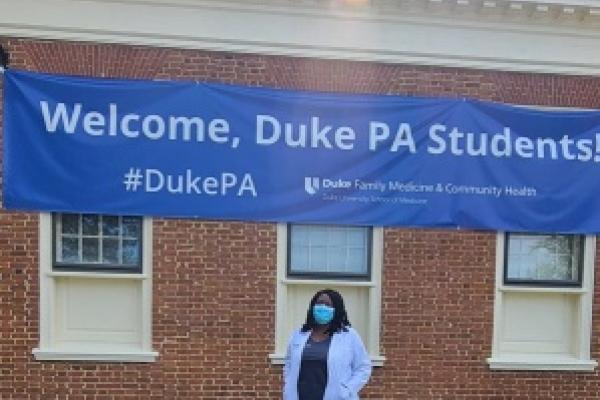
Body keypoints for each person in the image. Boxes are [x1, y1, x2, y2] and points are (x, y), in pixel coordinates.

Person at [283, 289, 372, 400]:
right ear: (312, 307)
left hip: (337, 397)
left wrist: (346, 390)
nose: (322, 307)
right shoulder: (299, 334)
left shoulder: (349, 335)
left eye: (328, 304)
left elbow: (363, 367)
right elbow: (289, 363)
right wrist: (287, 386)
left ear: (337, 309)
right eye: (319, 303)